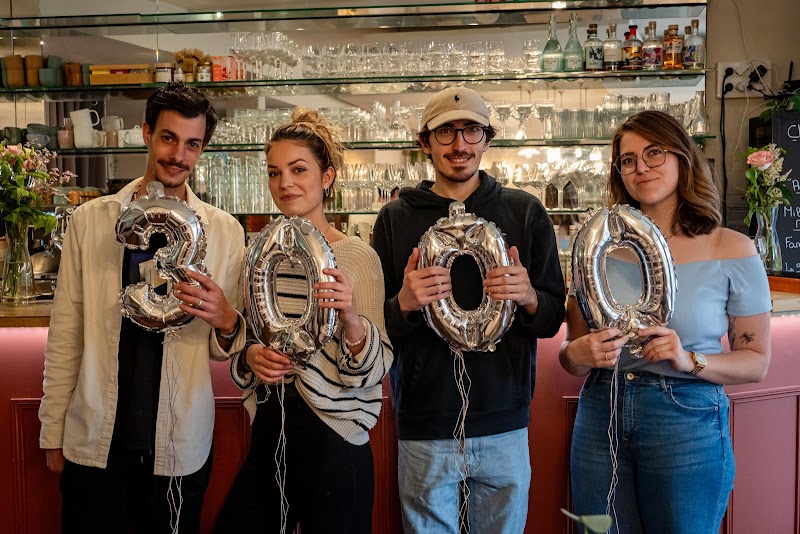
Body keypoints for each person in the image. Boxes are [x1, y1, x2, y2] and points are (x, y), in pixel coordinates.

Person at [38, 82, 247, 534]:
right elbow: (66, 333)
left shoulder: (225, 232)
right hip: (95, 436)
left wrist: (225, 316)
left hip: (178, 442)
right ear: (146, 133)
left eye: (192, 144)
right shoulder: (91, 221)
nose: (178, 155)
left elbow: (222, 348)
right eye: (169, 138)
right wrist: (52, 430)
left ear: (203, 149)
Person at [559, 110, 771, 533]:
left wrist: (688, 357)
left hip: (685, 415)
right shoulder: (597, 250)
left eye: (653, 153)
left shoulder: (731, 247)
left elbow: (756, 361)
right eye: (628, 160)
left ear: (682, 157)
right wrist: (578, 353)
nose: (641, 168)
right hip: (602, 411)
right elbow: (572, 355)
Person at [371, 86, 566, 533]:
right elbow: (372, 328)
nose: (460, 144)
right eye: (446, 132)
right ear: (425, 142)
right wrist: (403, 303)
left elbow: (554, 316)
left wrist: (529, 296)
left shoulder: (525, 212)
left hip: (504, 422)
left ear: (487, 139)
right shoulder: (395, 219)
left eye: (471, 131)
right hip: (425, 422)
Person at [214, 108, 393, 534]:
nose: (285, 183)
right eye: (274, 173)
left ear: (327, 177)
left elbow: (376, 369)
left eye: (298, 170)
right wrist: (252, 355)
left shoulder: (356, 257)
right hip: (271, 427)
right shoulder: (256, 253)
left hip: (336, 439)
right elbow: (244, 351)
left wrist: (351, 318)